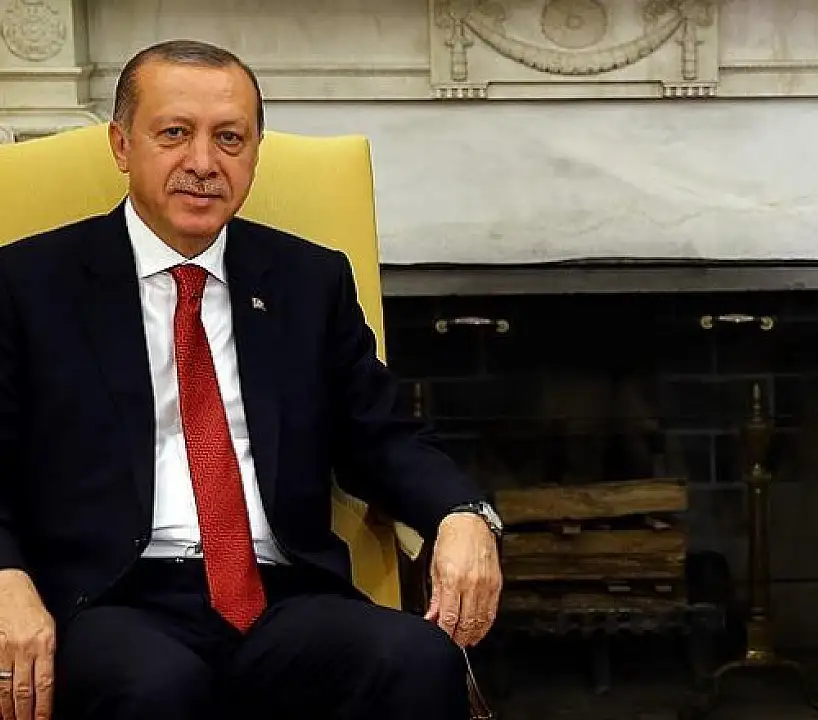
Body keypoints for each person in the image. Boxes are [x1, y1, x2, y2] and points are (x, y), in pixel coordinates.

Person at [0, 39, 504, 720]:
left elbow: (382, 435)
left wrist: (462, 514)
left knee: (413, 657)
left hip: (281, 598)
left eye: (230, 138)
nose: (203, 163)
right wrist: (5, 578)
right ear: (122, 145)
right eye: (174, 134)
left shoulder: (308, 281)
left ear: (255, 154)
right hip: (113, 600)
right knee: (154, 687)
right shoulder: (28, 283)